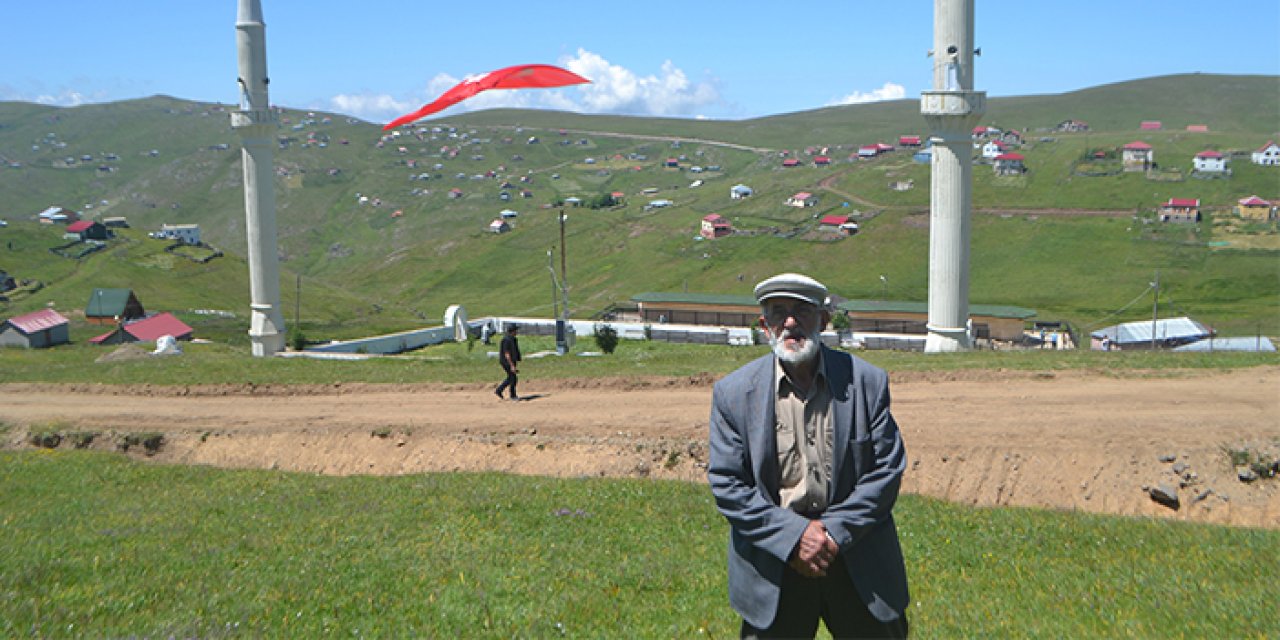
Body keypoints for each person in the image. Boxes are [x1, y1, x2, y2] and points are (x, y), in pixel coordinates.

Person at [708, 273, 910, 639]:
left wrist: (831, 534)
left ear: (823, 321)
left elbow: (886, 471)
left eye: (802, 311)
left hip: (857, 560)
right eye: (778, 312)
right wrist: (793, 537)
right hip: (776, 564)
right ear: (764, 325)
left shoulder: (866, 383)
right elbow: (728, 484)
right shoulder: (734, 394)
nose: (790, 322)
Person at [494, 324, 522, 401]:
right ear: (512, 331)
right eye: (515, 330)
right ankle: (512, 395)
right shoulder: (506, 340)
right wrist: (512, 365)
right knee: (513, 378)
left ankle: (499, 390)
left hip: (512, 361)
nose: (517, 332)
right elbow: (507, 354)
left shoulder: (513, 339)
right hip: (506, 362)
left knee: (511, 378)